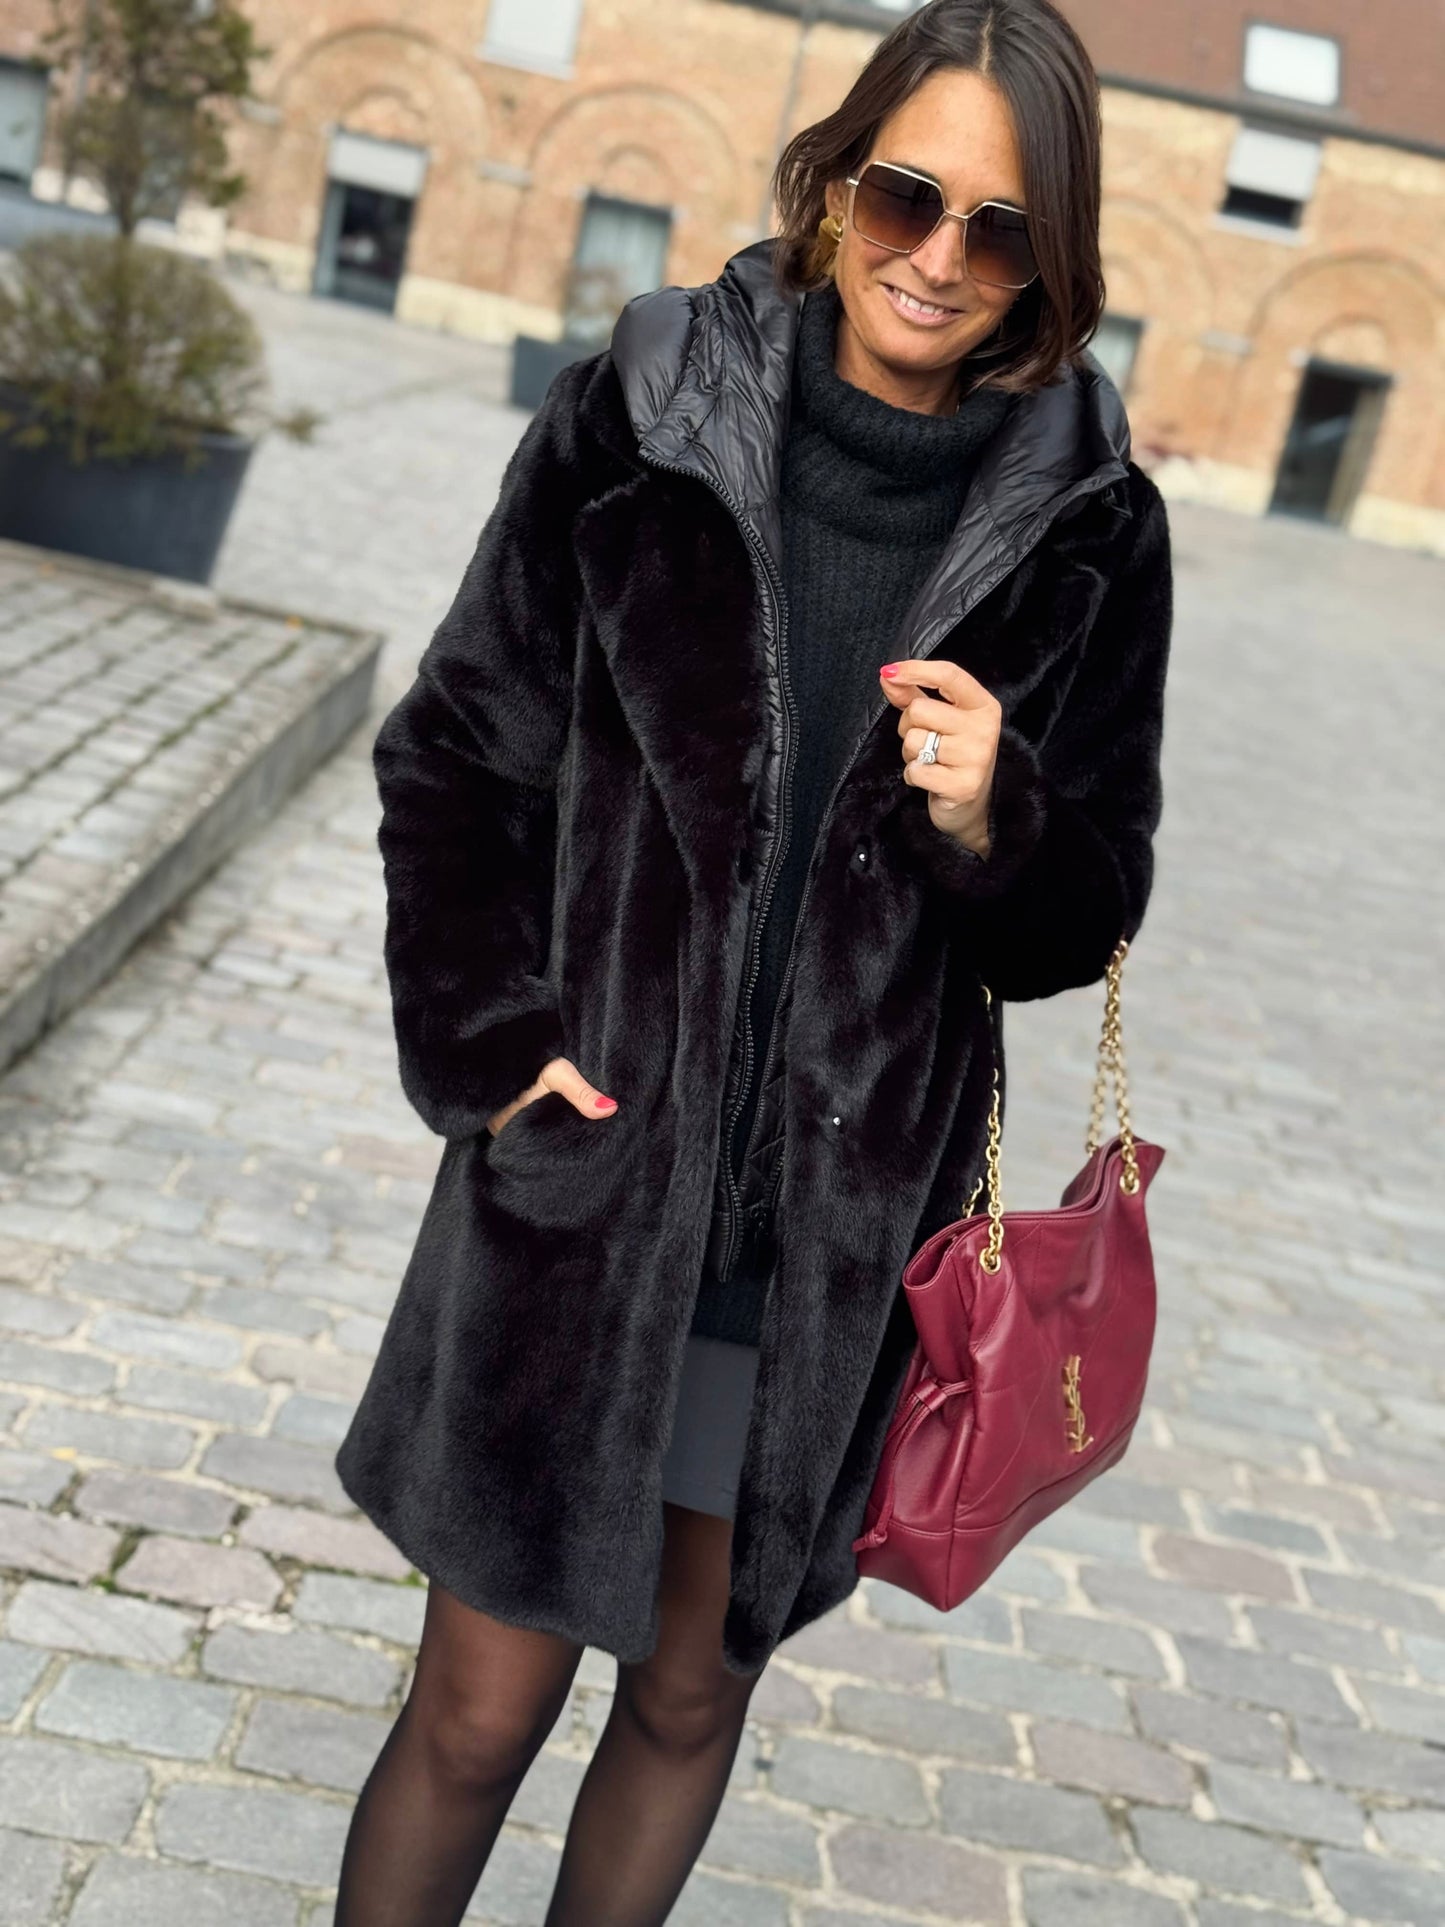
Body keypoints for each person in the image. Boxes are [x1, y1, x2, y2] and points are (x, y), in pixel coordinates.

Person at [331, 1, 1174, 1920]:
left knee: (687, 1697)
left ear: (1051, 259)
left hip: (823, 1244)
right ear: (834, 178)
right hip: (590, 1175)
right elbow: (455, 755)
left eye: (998, 228)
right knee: (474, 1710)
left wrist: (998, 817)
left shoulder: (1091, 530)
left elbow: (1085, 914)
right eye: (903, 195)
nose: (935, 256)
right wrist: (493, 1049)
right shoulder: (638, 416)